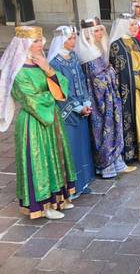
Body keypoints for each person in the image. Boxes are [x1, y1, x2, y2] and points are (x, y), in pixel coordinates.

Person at [0, 26, 77, 220]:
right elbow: (30, 99)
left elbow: (63, 84)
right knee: (40, 162)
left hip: (52, 119)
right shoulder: (17, 71)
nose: (41, 43)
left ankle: (59, 199)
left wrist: (48, 69)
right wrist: (52, 92)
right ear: (24, 44)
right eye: (36, 41)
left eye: (41, 39)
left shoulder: (41, 62)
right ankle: (43, 206)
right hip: (34, 122)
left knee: (56, 157)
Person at [76, 18, 133, 179]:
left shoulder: (97, 48)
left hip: (109, 96)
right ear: (88, 34)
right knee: (102, 130)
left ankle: (117, 161)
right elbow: (96, 79)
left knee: (114, 126)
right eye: (96, 31)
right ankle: (106, 165)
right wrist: (111, 73)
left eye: (101, 30)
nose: (100, 34)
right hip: (99, 99)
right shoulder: (88, 52)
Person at [48, 25, 95, 198]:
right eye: (69, 38)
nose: (73, 42)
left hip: (82, 107)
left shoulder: (74, 57)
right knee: (71, 148)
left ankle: (82, 183)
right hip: (68, 113)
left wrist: (87, 102)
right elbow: (61, 90)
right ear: (61, 40)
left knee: (83, 147)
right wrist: (78, 107)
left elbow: (81, 81)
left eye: (74, 38)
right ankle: (71, 188)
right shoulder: (55, 63)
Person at [108, 14, 140, 163]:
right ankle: (135, 150)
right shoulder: (116, 45)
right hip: (129, 87)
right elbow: (119, 71)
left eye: (135, 25)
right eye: (132, 25)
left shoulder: (136, 40)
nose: (135, 28)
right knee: (137, 117)